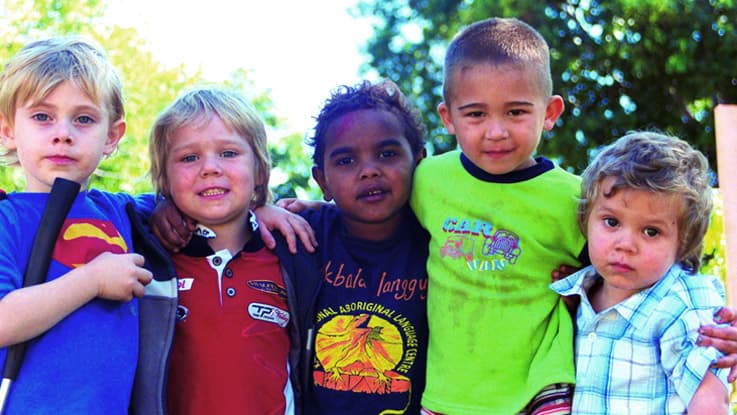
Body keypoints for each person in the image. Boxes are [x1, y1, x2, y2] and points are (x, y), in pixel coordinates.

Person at [151, 79, 430, 414]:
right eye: (346, 161)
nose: (369, 171)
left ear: (420, 161)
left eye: (386, 154)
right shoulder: (297, 237)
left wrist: (262, 207)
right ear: (321, 180)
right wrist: (161, 207)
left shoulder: (442, 240)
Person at [410, 17, 584, 414]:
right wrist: (309, 210)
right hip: (448, 393)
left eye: (516, 112)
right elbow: (370, 217)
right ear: (448, 117)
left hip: (541, 388)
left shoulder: (577, 198)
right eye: (475, 115)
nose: (496, 131)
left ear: (550, 112)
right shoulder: (428, 180)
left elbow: (629, 272)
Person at [0, 37, 153, 413]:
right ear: (7, 131)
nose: (63, 133)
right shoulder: (7, 219)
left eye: (84, 119)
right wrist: (92, 280)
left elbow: (195, 203)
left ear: (112, 136)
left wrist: (262, 209)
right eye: (42, 117)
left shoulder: (122, 212)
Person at [142, 86, 313, 415]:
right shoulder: (149, 252)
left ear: (260, 172)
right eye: (189, 158)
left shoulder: (292, 252)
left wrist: (268, 206)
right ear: (164, 180)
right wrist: (156, 208)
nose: (210, 168)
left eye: (228, 153)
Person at [550, 131, 731, 414]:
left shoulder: (682, 303)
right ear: (587, 220)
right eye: (611, 222)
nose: (625, 245)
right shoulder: (575, 293)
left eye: (651, 231)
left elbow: (708, 398)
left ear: (683, 242)